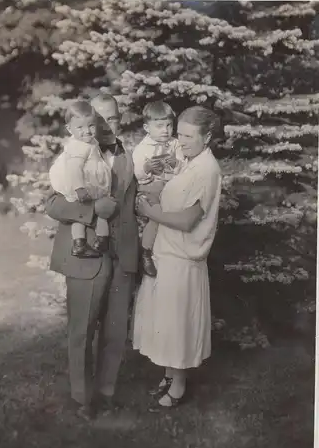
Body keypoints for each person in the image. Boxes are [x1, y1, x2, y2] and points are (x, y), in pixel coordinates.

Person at [45, 93, 139, 417]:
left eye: (112, 119)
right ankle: (84, 400)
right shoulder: (75, 153)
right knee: (82, 331)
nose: (105, 126)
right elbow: (53, 204)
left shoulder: (132, 156)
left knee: (115, 331)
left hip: (121, 254)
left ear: (120, 120)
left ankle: (107, 392)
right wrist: (90, 210)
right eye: (98, 120)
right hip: (86, 256)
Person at [133, 105, 222, 409]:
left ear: (207, 136)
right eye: (179, 133)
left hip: (183, 258)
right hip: (166, 251)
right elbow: (167, 189)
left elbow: (188, 220)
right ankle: (170, 376)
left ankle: (179, 385)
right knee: (166, 323)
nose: (180, 141)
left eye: (187, 135)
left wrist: (150, 212)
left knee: (177, 324)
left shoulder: (207, 170)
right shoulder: (187, 160)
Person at [49, 100, 111, 258]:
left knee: (90, 213)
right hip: (83, 185)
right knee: (83, 214)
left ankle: (93, 241)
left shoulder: (90, 143)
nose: (87, 132)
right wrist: (79, 188)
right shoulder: (77, 146)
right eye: (80, 127)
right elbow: (74, 169)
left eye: (91, 126)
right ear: (70, 129)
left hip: (90, 183)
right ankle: (86, 242)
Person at [133, 101, 185, 277]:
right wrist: (147, 168)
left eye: (169, 125)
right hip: (150, 190)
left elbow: (184, 168)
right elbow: (137, 174)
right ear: (147, 127)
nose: (165, 130)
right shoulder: (142, 148)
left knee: (174, 216)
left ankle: (173, 251)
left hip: (170, 189)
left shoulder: (176, 144)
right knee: (157, 216)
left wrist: (175, 163)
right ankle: (146, 251)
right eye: (159, 126)